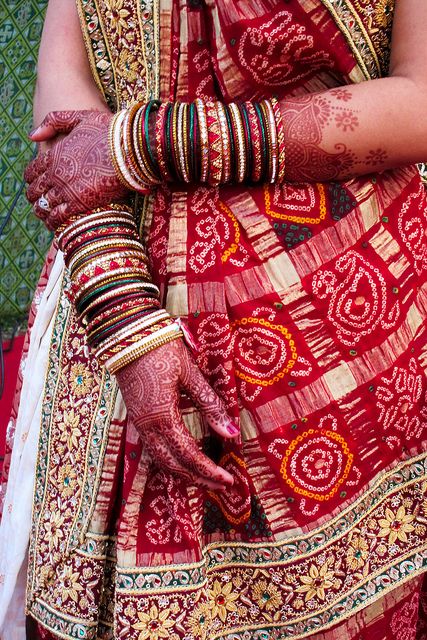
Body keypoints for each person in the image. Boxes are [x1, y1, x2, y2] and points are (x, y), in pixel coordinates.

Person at [1, 0, 427, 638]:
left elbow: (420, 97)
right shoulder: (115, 311)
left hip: (349, 340)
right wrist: (120, 310)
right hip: (110, 323)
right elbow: (67, 93)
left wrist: (141, 143)